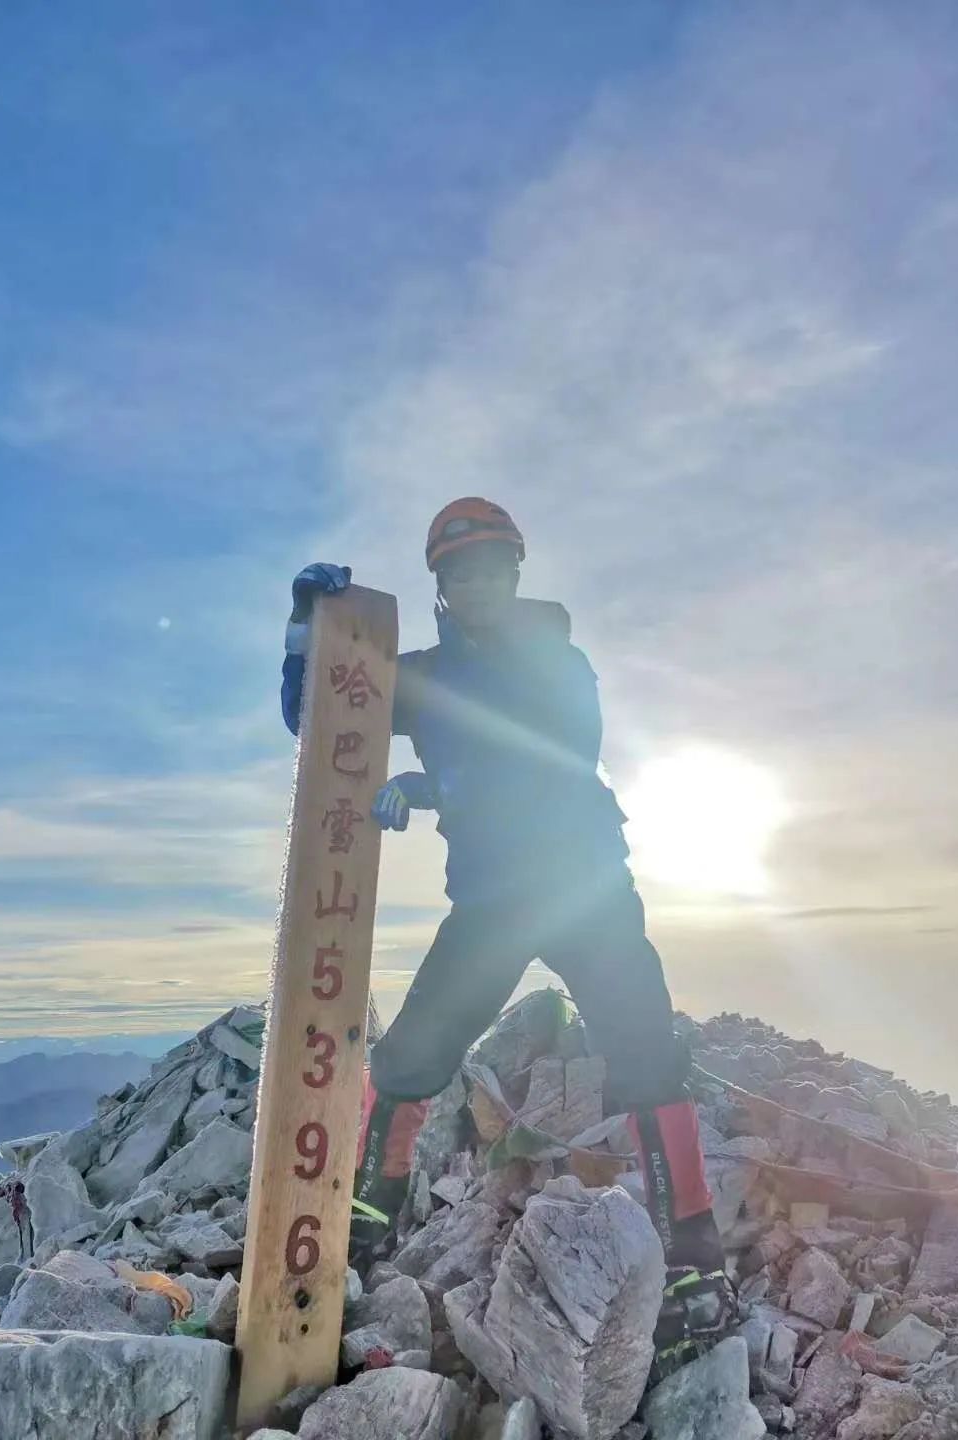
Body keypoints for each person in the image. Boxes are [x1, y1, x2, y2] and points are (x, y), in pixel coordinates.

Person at [281, 497, 731, 1363]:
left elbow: (557, 756)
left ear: (514, 574)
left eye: (492, 567)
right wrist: (310, 632)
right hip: (491, 899)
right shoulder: (426, 675)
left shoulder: (558, 662)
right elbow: (320, 721)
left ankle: (695, 1255)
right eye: (461, 571)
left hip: (583, 886)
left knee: (643, 1048)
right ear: (442, 585)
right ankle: (373, 1208)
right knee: (414, 1052)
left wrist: (430, 787)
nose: (477, 583)